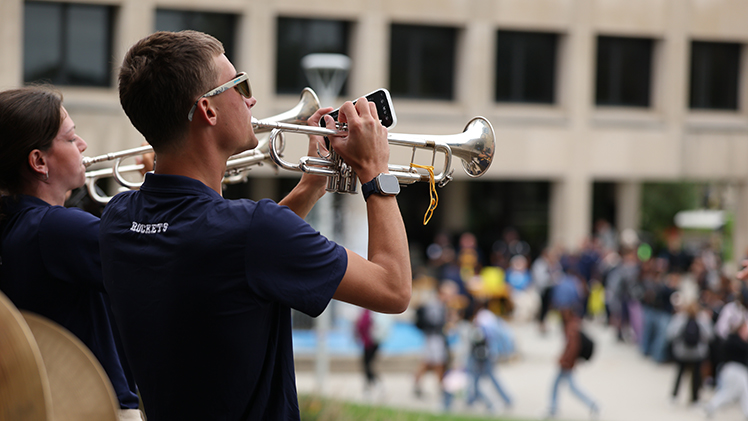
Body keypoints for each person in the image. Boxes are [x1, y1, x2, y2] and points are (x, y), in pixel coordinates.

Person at [100, 30, 411, 421]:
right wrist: (375, 172)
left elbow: (237, 256)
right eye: (239, 85)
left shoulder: (117, 218)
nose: (252, 99)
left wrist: (312, 184)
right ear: (208, 111)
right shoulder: (253, 230)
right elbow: (394, 288)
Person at [0, 86, 142, 420]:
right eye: (71, 137)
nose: (83, 146)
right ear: (38, 161)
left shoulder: (14, 225)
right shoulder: (54, 227)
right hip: (97, 408)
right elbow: (162, 261)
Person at [546, 274, 599, 419]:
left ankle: (593, 405)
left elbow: (572, 347)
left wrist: (564, 361)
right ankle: (553, 408)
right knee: (561, 385)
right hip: (568, 362)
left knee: (571, 387)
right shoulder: (570, 322)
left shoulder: (572, 325)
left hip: (567, 364)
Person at [465, 300, 513, 413]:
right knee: (480, 377)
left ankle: (499, 401)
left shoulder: (483, 317)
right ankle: (471, 399)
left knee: (480, 377)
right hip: (489, 353)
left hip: (483, 354)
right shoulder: (490, 317)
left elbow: (481, 337)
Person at [666, 300, 713, 405]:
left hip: (681, 352)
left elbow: (670, 334)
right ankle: (695, 399)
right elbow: (709, 335)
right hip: (698, 353)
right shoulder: (703, 318)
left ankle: (674, 396)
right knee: (696, 376)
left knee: (679, 374)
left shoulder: (679, 318)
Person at [704, 318, 748, 418]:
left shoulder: (733, 340)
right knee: (732, 392)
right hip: (734, 369)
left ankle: (711, 406)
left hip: (735, 370)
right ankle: (711, 406)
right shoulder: (735, 341)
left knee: (739, 392)